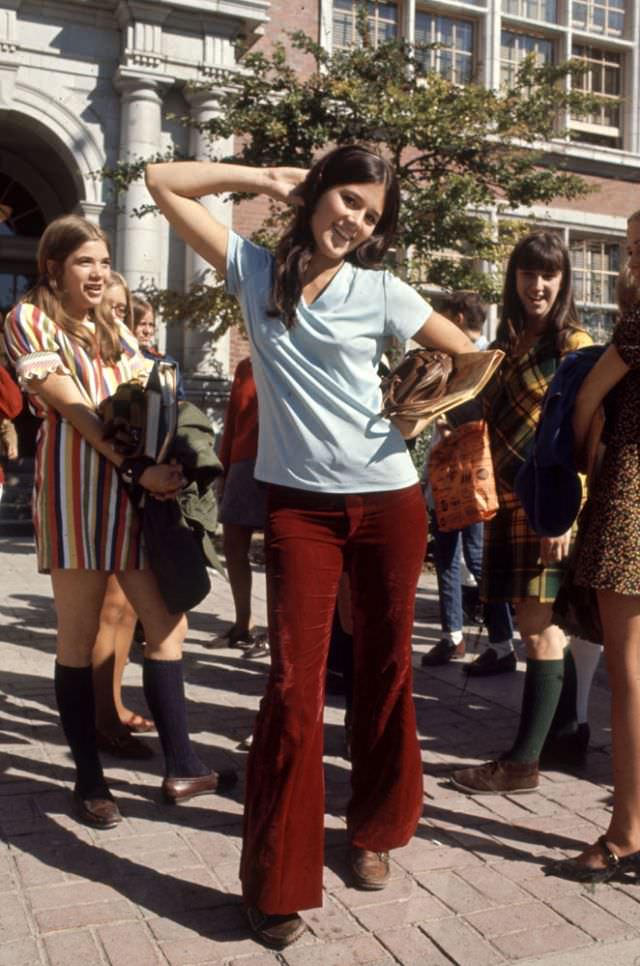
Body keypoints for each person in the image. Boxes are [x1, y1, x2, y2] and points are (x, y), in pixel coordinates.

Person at [146, 144, 475, 948]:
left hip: (388, 500)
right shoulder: (256, 271)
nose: (355, 223)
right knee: (292, 689)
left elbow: (470, 356)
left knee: (386, 669)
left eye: (371, 216)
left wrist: (418, 412)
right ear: (319, 191)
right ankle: (275, 883)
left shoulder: (383, 289)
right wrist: (262, 179)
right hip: (300, 511)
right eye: (348, 202)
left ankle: (374, 832)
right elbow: (161, 183)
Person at [3, 214, 236, 830]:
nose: (100, 272)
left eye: (104, 261)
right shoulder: (29, 319)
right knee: (77, 641)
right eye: (85, 261)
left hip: (135, 499)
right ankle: (88, 780)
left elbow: (150, 396)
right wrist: (138, 467)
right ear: (54, 267)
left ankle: (182, 763)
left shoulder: (112, 327)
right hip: (78, 496)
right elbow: (76, 410)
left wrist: (175, 454)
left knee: (165, 624)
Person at [450, 231, 592, 796]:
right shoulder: (508, 343)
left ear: (563, 282)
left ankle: (522, 763)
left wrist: (567, 513)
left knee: (538, 632)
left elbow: (585, 433)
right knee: (548, 625)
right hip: (506, 501)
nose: (538, 285)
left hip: (548, 505)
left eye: (549, 275)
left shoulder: (573, 344)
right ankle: (566, 733)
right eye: (528, 274)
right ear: (513, 280)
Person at [546, 210, 640, 881]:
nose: (632, 260)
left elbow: (584, 406)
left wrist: (581, 450)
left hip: (631, 503)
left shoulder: (637, 326)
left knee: (630, 679)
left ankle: (628, 831)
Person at [421, 291, 515, 675]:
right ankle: (468, 636)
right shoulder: (477, 360)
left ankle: (494, 641)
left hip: (465, 471)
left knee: (471, 556)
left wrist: (446, 423)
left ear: (457, 318)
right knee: (458, 555)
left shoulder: (473, 362)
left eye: (441, 316)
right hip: (463, 473)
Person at [213, 355, 269, 656]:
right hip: (242, 461)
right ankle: (242, 624)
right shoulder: (246, 365)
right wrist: (223, 466)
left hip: (280, 462)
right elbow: (233, 417)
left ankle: (277, 631)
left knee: (280, 554)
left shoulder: (300, 353)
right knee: (233, 545)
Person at [130, 295, 186, 400]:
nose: (148, 331)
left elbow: (178, 403)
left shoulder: (165, 362)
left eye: (151, 325)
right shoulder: (116, 361)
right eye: (142, 324)